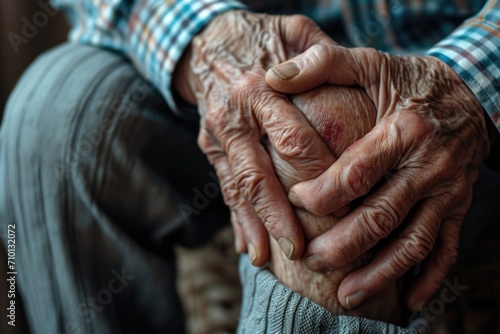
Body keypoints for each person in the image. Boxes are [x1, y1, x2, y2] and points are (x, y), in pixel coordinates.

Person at [0, 0, 499, 332]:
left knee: (321, 130)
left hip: (447, 60)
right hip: (208, 34)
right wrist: (199, 31)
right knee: (50, 114)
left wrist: (471, 87)